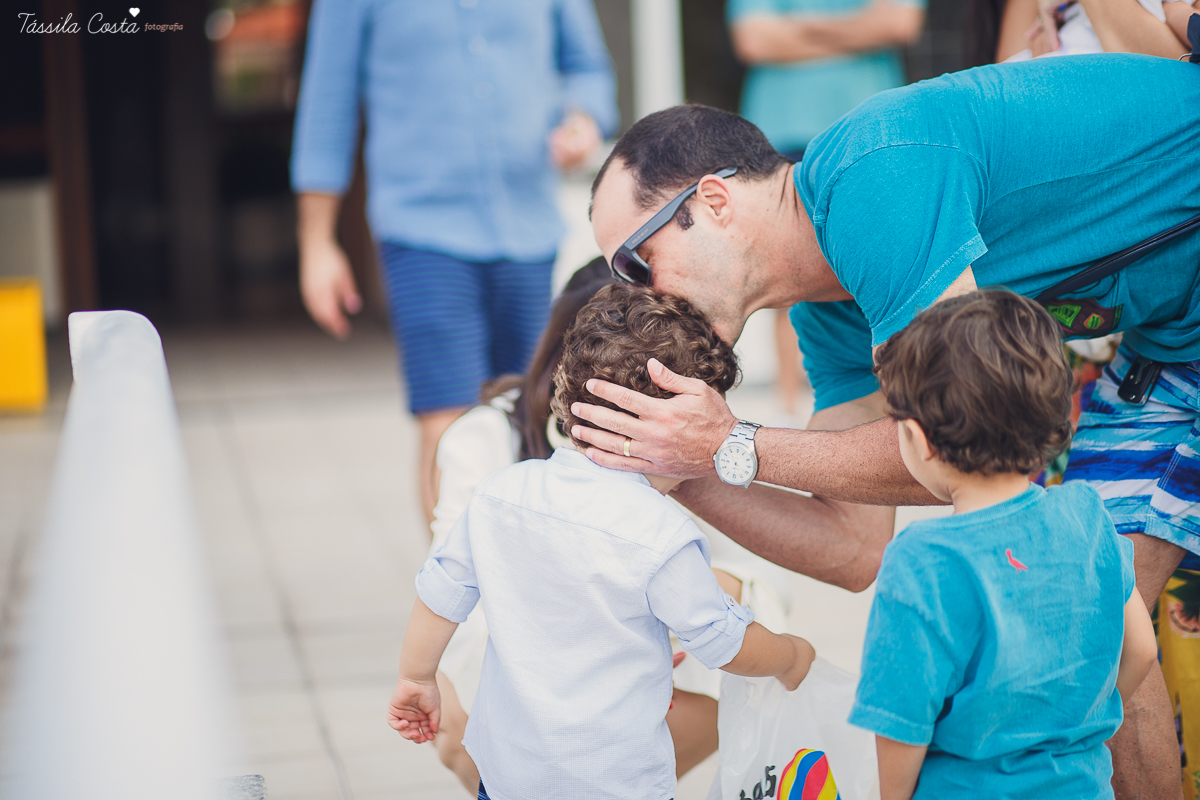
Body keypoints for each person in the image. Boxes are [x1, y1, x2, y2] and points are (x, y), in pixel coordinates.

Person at [581, 55, 1200, 799]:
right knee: (1093, 603)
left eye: (633, 262)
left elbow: (960, 440)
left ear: (711, 200)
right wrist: (679, 469)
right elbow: (853, 548)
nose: (642, 294)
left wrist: (727, 445)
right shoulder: (828, 311)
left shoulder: (875, 172)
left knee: (1082, 604)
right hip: (1171, 347)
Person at [387, 283, 815, 800]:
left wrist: (417, 678)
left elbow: (441, 591)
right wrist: (790, 657)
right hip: (615, 782)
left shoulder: (502, 494)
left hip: (505, 778)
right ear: (672, 429)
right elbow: (724, 643)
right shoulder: (662, 535)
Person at [290, 0, 618, 523]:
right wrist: (316, 242)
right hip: (422, 233)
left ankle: (522, 581)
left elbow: (588, 68)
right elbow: (328, 100)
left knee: (535, 415)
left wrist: (582, 119)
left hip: (530, 229)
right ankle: (456, 598)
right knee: (449, 421)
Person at [853, 290, 1158, 799]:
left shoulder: (922, 562)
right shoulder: (1088, 517)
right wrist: (1072, 734)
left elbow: (901, 726)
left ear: (919, 438)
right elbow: (1141, 650)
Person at [728, 0, 924, 422]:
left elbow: (900, 22)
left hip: (871, 130)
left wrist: (797, 30)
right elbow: (755, 39)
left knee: (881, 263)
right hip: (784, 129)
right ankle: (790, 408)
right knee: (784, 273)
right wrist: (857, 30)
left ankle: (897, 401)